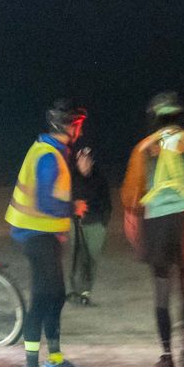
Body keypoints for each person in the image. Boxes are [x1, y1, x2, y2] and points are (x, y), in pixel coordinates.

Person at [121, 91, 184, 367]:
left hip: (157, 224)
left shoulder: (143, 148)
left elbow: (132, 192)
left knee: (161, 289)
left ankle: (166, 356)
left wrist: (132, 214)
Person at [4, 99, 89, 367]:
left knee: (56, 295)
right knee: (43, 297)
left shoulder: (56, 151)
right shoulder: (47, 155)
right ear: (67, 126)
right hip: (34, 234)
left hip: (45, 234)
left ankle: (55, 361)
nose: (80, 130)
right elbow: (45, 202)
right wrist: (72, 208)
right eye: (77, 125)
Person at [68, 123, 111, 306]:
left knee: (91, 259)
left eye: (87, 159)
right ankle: (76, 291)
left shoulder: (100, 178)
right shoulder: (69, 177)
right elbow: (64, 200)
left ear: (92, 161)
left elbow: (107, 203)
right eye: (81, 159)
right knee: (77, 258)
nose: (84, 162)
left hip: (95, 225)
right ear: (77, 160)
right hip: (76, 224)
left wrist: (102, 222)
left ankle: (86, 291)